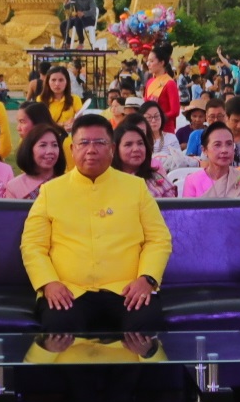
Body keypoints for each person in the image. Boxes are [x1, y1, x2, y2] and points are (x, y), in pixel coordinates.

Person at [22, 114, 172, 333]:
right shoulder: (50, 191)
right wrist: (48, 283)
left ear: (112, 148)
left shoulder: (136, 188)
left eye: (99, 142)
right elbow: (32, 245)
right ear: (72, 149)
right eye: (83, 143)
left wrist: (147, 279)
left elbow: (158, 239)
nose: (91, 150)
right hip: (69, 291)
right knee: (59, 331)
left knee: (144, 330)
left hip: (127, 290)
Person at [181, 121, 240, 198]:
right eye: (217, 145)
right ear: (204, 150)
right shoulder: (192, 181)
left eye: (229, 144)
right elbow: (189, 207)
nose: (224, 150)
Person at [111, 118, 174, 198]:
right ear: (114, 149)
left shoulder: (156, 179)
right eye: (128, 144)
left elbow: (171, 205)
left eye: (140, 143)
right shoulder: (106, 181)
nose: (136, 149)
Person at [2, 123, 66, 200]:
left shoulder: (68, 182)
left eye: (54, 145)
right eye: (43, 145)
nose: (50, 151)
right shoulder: (14, 187)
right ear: (30, 149)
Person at [144, 44, 182, 126]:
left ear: (161, 62)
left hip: (165, 127)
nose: (148, 64)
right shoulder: (149, 82)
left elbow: (175, 111)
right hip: (150, 126)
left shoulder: (170, 83)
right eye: (148, 61)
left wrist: (158, 119)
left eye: (151, 61)